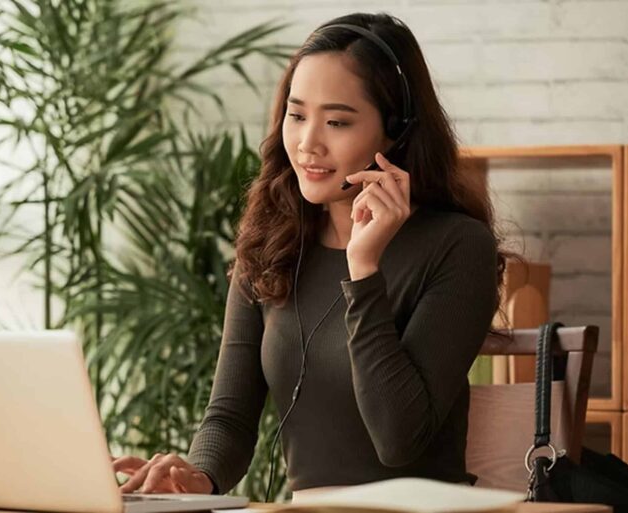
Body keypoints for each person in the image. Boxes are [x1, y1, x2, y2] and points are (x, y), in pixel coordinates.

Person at [112, 11, 507, 499]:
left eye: (337, 122)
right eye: (297, 116)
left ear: (397, 130)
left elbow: (398, 440)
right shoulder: (270, 242)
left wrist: (363, 271)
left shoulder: (458, 246)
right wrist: (197, 477)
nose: (307, 144)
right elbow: (229, 417)